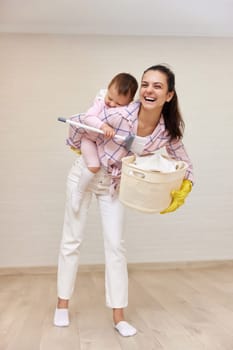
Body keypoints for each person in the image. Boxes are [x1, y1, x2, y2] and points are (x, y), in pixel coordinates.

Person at [54, 64, 194, 337]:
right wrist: (78, 139)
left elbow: (186, 163)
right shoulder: (120, 112)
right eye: (145, 84)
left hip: (114, 186)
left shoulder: (166, 131)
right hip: (84, 175)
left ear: (169, 95)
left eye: (157, 86)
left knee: (116, 246)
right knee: (71, 239)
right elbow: (78, 121)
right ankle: (62, 304)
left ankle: (119, 316)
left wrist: (185, 186)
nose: (149, 90)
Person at [71, 73, 138, 213]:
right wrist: (103, 126)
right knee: (94, 165)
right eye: (110, 98)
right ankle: (78, 193)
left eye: (119, 103)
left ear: (129, 101)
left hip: (103, 144)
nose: (112, 104)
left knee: (112, 162)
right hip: (89, 139)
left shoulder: (128, 113)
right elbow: (88, 117)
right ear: (107, 90)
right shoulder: (101, 101)